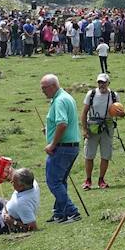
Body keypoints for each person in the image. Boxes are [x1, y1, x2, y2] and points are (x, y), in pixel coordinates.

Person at [40, 74, 83, 224]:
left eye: (44, 88)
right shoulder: (66, 97)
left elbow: (63, 123)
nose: (43, 91)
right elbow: (62, 123)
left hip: (62, 148)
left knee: (53, 181)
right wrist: (49, 129)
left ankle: (72, 212)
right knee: (61, 181)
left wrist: (52, 144)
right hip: (71, 146)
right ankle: (59, 213)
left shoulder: (59, 101)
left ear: (53, 86)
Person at [81, 73, 119, 190]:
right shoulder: (91, 94)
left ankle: (101, 180)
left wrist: (120, 113)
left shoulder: (113, 95)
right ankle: (88, 180)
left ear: (108, 83)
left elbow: (119, 110)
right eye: (99, 82)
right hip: (92, 127)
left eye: (103, 82)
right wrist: (84, 129)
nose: (101, 84)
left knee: (105, 155)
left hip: (107, 127)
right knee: (89, 155)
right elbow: (84, 113)